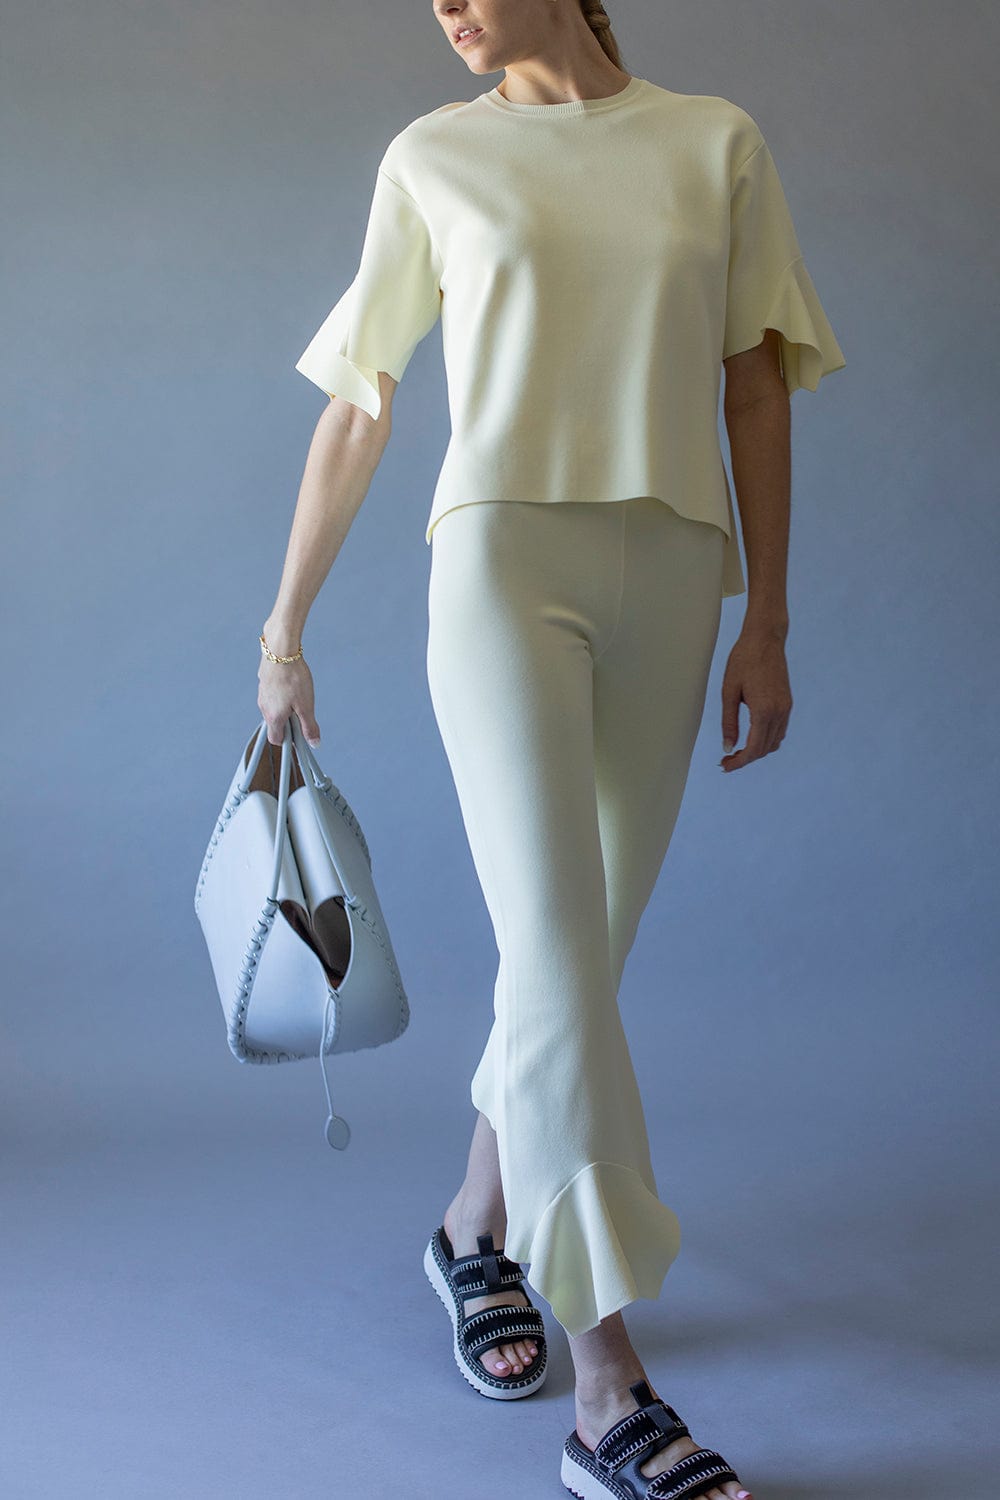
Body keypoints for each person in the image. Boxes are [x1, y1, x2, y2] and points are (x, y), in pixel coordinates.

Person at [257, 2, 846, 1496]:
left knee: (573, 959)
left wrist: (769, 620)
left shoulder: (713, 144)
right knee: (561, 958)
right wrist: (284, 626)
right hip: (502, 572)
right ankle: (609, 1392)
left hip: (675, 570)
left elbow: (754, 387)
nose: (444, 6)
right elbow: (362, 405)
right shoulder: (434, 157)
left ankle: (475, 1228)